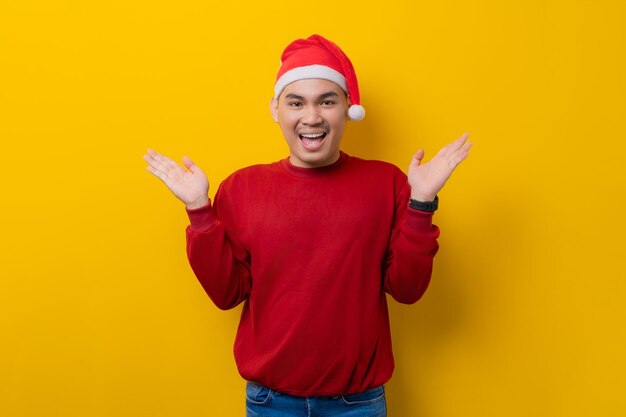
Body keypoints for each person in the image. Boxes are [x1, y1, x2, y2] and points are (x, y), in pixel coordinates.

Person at [144, 34, 471, 417]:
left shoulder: (388, 184)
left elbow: (408, 289)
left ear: (348, 107)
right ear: (275, 109)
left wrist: (421, 203)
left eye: (327, 101)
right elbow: (226, 294)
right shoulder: (241, 188)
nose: (312, 117)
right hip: (270, 402)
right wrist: (200, 209)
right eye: (296, 102)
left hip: (358, 403)